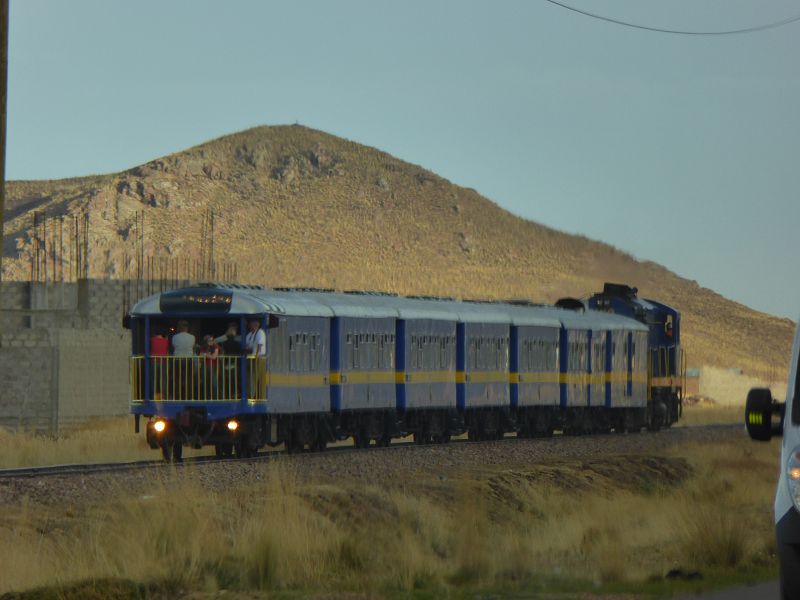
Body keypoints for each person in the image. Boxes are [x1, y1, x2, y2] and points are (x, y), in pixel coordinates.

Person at [245, 319, 266, 400]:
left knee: (254, 377)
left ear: (256, 324)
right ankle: (249, 393)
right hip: (250, 358)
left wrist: (257, 354)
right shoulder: (250, 334)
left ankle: (251, 394)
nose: (250, 325)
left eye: (252, 323)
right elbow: (247, 344)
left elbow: (260, 344)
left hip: (258, 358)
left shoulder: (260, 333)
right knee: (249, 377)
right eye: (250, 324)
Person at [150, 327, 169, 400]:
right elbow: (166, 352)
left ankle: (153, 397)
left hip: (153, 361)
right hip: (163, 362)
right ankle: (164, 397)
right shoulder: (166, 341)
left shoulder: (152, 340)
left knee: (153, 380)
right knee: (163, 380)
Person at [199, 334, 220, 399]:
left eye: (212, 340)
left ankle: (215, 398)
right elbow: (201, 356)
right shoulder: (203, 347)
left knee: (214, 383)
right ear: (206, 341)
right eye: (209, 340)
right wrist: (205, 355)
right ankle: (206, 397)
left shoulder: (216, 346)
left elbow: (214, 357)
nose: (211, 342)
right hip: (204, 366)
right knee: (205, 383)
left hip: (213, 366)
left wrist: (206, 354)